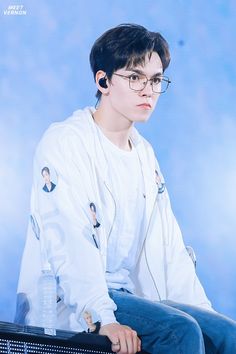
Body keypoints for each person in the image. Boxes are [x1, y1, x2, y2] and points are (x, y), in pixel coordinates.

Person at [15, 23, 236, 354]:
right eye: (135, 78)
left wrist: (207, 316)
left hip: (129, 297)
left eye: (156, 80)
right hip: (71, 298)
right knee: (180, 332)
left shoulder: (144, 155)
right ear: (103, 80)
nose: (147, 90)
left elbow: (168, 248)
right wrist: (103, 317)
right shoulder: (66, 142)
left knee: (226, 335)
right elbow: (67, 240)